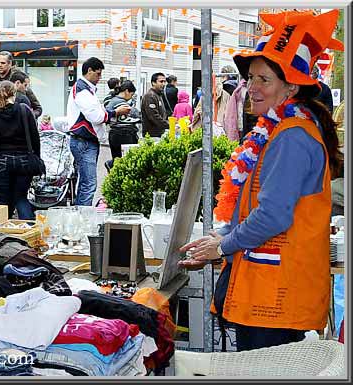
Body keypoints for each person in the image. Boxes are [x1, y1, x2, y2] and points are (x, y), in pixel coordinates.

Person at [178, 10, 344, 352]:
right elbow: (269, 207)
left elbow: (273, 216)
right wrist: (222, 236)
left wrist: (220, 246)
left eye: (263, 79)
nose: (251, 88)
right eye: (250, 77)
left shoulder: (292, 136)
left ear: (292, 86)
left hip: (276, 301)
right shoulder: (282, 130)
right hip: (270, 297)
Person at [66, 57, 131, 206]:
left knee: (85, 183)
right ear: (89, 71)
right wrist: (115, 112)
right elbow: (96, 116)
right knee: (88, 184)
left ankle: (81, 214)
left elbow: (97, 113)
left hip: (85, 141)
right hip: (84, 141)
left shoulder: (85, 89)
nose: (99, 78)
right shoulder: (82, 89)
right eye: (98, 74)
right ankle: (82, 218)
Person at [0, 81, 39, 220]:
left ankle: (3, 231)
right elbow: (35, 137)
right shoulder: (24, 109)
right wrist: (36, 157)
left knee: (5, 200)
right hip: (24, 160)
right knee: (21, 198)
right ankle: (29, 230)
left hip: (2, 161)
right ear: (14, 94)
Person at [0, 51, 42, 118]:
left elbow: (38, 108)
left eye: (3, 63)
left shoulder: (19, 81)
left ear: (10, 63)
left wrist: (27, 118)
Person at [104, 80, 140, 171]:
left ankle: (112, 166)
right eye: (131, 94)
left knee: (118, 160)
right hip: (124, 134)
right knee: (127, 163)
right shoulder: (121, 103)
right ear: (127, 91)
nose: (131, 97)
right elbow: (136, 115)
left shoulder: (112, 100)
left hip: (114, 134)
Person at [141, 73, 169, 138]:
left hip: (158, 133)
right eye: (161, 81)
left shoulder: (158, 95)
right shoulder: (150, 96)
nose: (164, 84)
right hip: (151, 135)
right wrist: (169, 125)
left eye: (165, 82)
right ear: (153, 83)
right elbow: (153, 116)